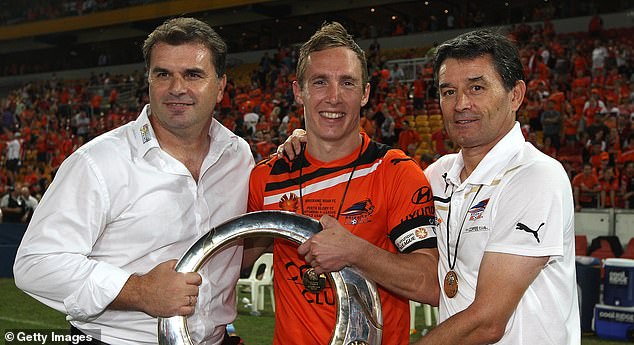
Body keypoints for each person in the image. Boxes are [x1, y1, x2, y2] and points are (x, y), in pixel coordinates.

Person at [13, 17, 254, 345]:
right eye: (163, 74)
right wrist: (139, 291)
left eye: (193, 74)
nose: (176, 88)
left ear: (221, 86)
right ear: (149, 81)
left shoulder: (238, 156)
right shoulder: (97, 162)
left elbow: (242, 244)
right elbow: (35, 264)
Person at [247, 22, 438, 345]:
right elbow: (230, 264)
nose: (334, 97)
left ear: (364, 93)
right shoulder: (267, 177)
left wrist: (356, 252)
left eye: (347, 83)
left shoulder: (396, 172)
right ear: (298, 91)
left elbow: (431, 284)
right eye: (320, 82)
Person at [415, 29, 580, 344]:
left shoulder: (536, 175)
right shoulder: (438, 175)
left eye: (477, 87)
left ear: (515, 95)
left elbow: (488, 322)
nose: (461, 104)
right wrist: (310, 146)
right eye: (448, 91)